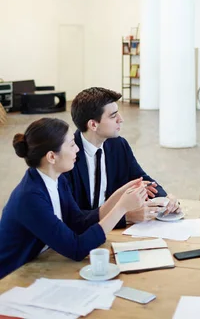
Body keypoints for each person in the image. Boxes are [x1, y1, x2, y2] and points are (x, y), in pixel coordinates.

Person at [0, 117, 147, 279]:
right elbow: (76, 249)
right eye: (71, 144)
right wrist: (121, 208)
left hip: (40, 262)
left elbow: (79, 222)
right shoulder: (30, 198)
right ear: (51, 157)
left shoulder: (56, 179)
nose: (77, 149)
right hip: (12, 277)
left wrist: (119, 194)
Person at [65, 87, 179, 225]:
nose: (121, 119)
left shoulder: (118, 145)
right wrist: (124, 217)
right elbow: (71, 218)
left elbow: (141, 179)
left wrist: (166, 199)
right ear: (93, 125)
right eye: (113, 116)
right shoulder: (67, 155)